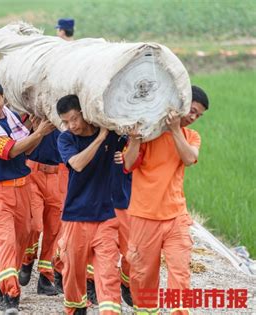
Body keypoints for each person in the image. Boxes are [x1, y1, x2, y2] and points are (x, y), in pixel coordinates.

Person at [123, 86, 209, 315]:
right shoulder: (149, 132)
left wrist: (175, 130)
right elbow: (129, 164)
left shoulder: (191, 136)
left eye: (198, 115)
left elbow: (190, 158)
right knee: (142, 274)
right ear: (181, 104)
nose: (193, 118)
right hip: (144, 215)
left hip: (176, 216)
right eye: (192, 111)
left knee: (180, 271)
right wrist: (134, 139)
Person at [0, 78, 56, 314]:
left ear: (4, 98)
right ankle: (11, 296)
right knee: (6, 242)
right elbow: (12, 151)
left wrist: (35, 132)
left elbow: (26, 148)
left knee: (20, 241)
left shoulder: (11, 118)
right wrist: (38, 131)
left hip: (23, 189)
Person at [56, 95, 122, 315]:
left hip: (106, 216)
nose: (72, 125)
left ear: (85, 113)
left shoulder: (111, 135)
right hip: (76, 215)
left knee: (108, 271)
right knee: (73, 271)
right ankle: (76, 309)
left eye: (75, 118)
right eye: (66, 121)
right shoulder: (65, 140)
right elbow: (77, 164)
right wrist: (100, 139)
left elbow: (132, 138)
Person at [18, 129, 63, 296]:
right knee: (34, 224)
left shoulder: (69, 110)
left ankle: (45, 277)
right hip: (33, 172)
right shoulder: (34, 109)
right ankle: (27, 259)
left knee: (54, 229)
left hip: (58, 174)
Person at [111, 137, 133, 307]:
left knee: (129, 252)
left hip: (126, 202)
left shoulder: (136, 138)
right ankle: (91, 285)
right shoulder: (95, 132)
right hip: (98, 201)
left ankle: (126, 284)